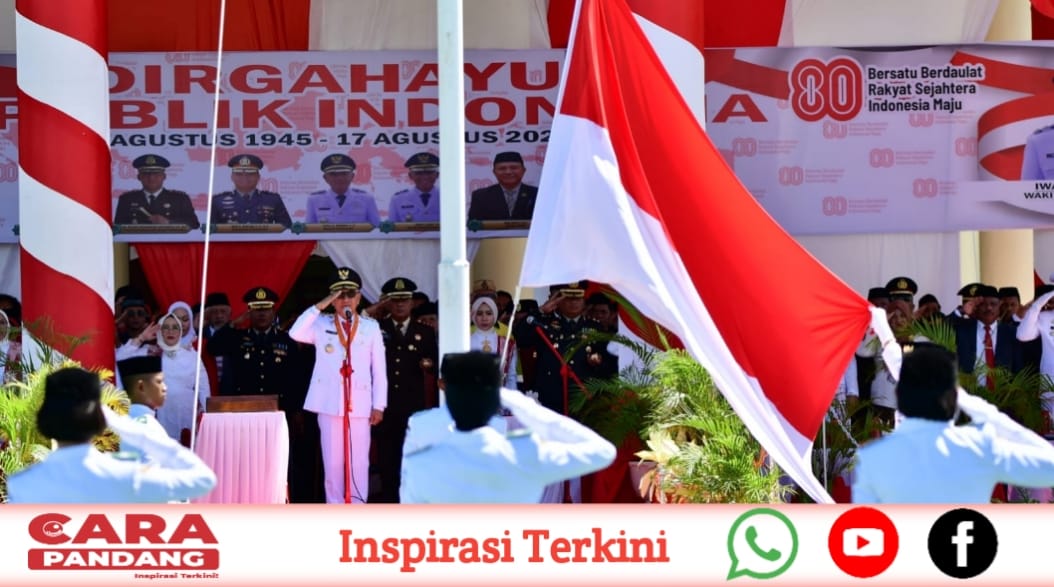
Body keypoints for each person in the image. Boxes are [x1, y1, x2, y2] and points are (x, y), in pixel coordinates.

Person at [400, 351, 617, 503]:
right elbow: (602, 451)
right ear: (496, 395)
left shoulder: (421, 462)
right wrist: (525, 407)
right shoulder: (524, 452)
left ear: (445, 389)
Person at [852, 343, 1054, 503]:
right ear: (955, 397)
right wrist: (986, 412)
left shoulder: (873, 459)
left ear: (898, 395)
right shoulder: (977, 447)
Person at [5, 367, 217, 503]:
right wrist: (133, 431)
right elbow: (203, 479)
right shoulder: (126, 475)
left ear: (45, 419)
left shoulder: (22, 484)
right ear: (100, 418)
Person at [288, 267, 387, 504]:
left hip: (360, 403)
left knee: (359, 461)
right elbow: (295, 332)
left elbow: (379, 369)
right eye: (339, 295)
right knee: (332, 463)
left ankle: (358, 506)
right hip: (329, 402)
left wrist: (379, 404)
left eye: (350, 294)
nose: (345, 300)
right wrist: (320, 305)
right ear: (332, 300)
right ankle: (335, 507)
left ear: (359, 298)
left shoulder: (370, 327)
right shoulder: (320, 324)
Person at [372, 277, 439, 503]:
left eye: (405, 300)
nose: (400, 304)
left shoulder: (425, 332)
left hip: (414, 405)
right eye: (395, 300)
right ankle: (390, 501)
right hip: (385, 405)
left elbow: (436, 365)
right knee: (387, 458)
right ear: (387, 303)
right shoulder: (376, 328)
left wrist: (428, 365)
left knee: (412, 456)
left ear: (412, 302)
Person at [117, 312, 210, 444]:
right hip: (159, 414)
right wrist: (141, 338)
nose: (170, 331)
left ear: (180, 332)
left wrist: (206, 417)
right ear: (159, 331)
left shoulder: (191, 356)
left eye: (175, 327)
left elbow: (204, 388)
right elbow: (119, 357)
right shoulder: (150, 353)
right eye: (165, 327)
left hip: (185, 414)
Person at [113, 154, 201, 227]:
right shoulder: (126, 199)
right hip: (137, 242)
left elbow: (194, 223)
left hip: (169, 242)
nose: (151, 178)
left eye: (156, 174)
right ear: (139, 177)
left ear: (164, 176)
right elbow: (118, 227)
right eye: (146, 174)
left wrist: (169, 222)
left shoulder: (180, 199)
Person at [210, 154, 292, 228]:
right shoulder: (217, 201)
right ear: (232, 177)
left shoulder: (273, 199)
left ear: (258, 177)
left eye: (250, 173)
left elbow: (287, 230)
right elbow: (210, 232)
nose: (245, 177)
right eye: (239, 174)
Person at [116, 355, 170, 461]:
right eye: (159, 382)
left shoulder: (117, 423)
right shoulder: (149, 428)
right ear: (141, 387)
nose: (165, 388)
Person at [305, 154, 381, 226]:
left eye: (344, 173)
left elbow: (377, 227)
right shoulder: (314, 200)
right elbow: (309, 230)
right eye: (333, 174)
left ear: (352, 176)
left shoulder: (367, 199)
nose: (339, 178)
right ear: (325, 178)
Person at [468, 151, 538, 221]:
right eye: (502, 168)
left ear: (523, 170)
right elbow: (473, 224)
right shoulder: (480, 196)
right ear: (494, 172)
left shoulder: (537, 194)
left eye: (514, 168)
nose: (508, 172)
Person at [470, 296, 517, 390]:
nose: (484, 318)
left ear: (495, 314)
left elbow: (511, 376)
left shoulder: (507, 343)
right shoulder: (465, 342)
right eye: (479, 314)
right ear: (473, 315)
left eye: (489, 313)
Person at [389, 152, 440, 222]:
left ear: (437, 174)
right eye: (419, 173)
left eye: (429, 172)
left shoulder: (449, 197)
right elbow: (393, 227)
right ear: (410, 176)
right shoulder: (398, 200)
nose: (425, 177)